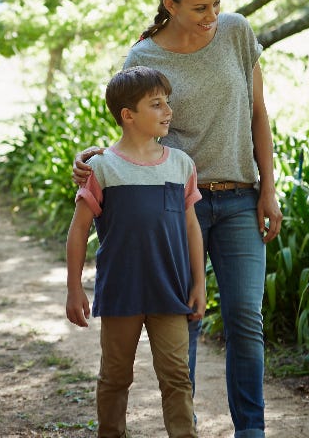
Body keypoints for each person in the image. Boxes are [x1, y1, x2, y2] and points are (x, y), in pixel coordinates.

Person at [73, 0, 283, 438]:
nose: (212, 17)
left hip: (240, 198)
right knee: (183, 318)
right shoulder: (144, 56)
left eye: (216, 4)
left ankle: (250, 430)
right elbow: (139, 125)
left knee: (245, 319)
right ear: (169, 4)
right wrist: (97, 158)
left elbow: (258, 115)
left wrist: (268, 188)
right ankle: (182, 429)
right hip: (175, 204)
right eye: (199, 8)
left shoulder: (235, 33)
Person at [66, 66, 206, 438]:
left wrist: (199, 283)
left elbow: (192, 228)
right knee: (115, 376)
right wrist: (74, 287)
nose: (167, 111)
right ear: (128, 115)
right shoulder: (102, 168)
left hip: (171, 290)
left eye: (167, 103)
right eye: (156, 104)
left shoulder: (181, 165)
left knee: (177, 376)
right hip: (121, 291)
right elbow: (78, 230)